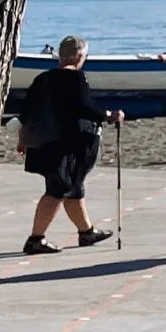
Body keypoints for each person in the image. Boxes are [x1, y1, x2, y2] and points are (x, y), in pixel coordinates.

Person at [17, 35, 124, 255]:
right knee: (59, 188)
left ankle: (86, 232)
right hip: (63, 142)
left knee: (72, 186)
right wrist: (110, 115)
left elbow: (26, 112)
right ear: (78, 56)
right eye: (84, 56)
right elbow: (83, 107)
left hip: (42, 141)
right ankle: (36, 239)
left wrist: (23, 139)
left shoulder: (42, 79)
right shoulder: (76, 78)